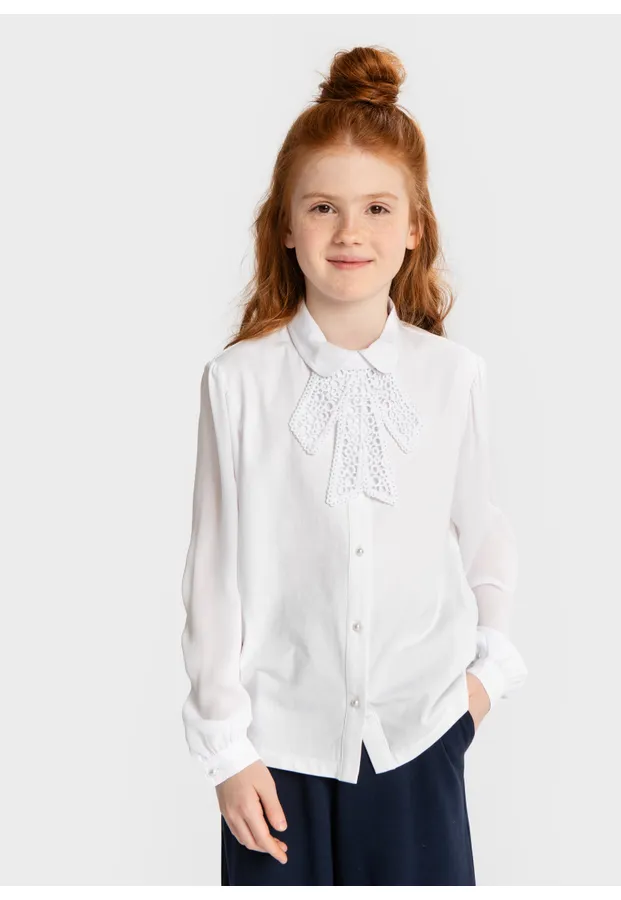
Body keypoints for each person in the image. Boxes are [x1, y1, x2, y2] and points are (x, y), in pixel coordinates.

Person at [179, 45, 528, 887]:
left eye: (377, 208)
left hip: (419, 737)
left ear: (413, 228)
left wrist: (484, 680)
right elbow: (212, 578)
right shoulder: (238, 383)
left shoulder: (454, 377)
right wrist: (226, 748)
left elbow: (484, 534)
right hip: (277, 758)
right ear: (286, 225)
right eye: (323, 207)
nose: (349, 232)